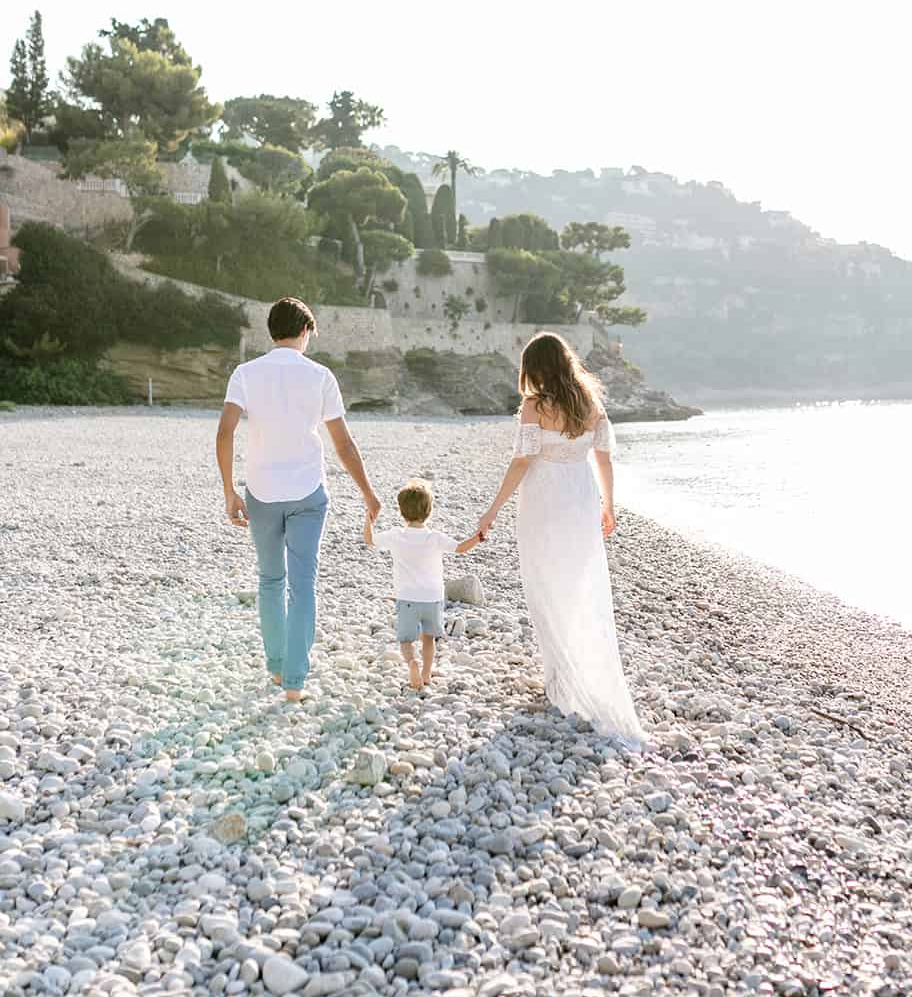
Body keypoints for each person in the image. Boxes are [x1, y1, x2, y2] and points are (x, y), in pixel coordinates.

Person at [478, 332, 644, 746]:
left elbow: (522, 461)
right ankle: (569, 673)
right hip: (580, 496)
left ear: (535, 368)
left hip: (543, 499)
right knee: (576, 583)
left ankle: (560, 679)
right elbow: (603, 459)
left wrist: (493, 508)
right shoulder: (591, 404)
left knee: (544, 582)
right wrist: (609, 505)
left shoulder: (535, 406)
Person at [215, 295, 381, 702]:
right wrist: (368, 494)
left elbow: (224, 433)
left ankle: (275, 669)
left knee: (271, 580)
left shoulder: (245, 373)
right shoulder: (320, 375)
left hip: (261, 492)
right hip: (308, 492)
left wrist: (229, 490)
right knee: (303, 585)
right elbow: (343, 443)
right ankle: (295, 682)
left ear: (271, 331)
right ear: (305, 330)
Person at [365, 478, 484, 690]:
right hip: (432, 598)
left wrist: (369, 521)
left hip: (407, 597)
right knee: (428, 638)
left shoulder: (395, 536)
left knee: (406, 640)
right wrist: (479, 536)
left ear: (401, 511)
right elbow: (461, 548)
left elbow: (370, 540)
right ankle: (427, 674)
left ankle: (412, 663)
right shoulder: (435, 538)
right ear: (429, 510)